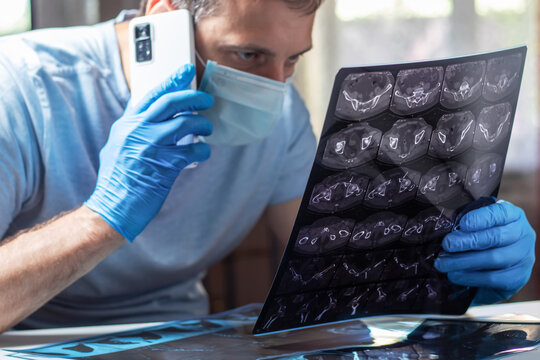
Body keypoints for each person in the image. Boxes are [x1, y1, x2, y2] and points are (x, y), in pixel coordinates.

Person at [0, 0, 534, 333]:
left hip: (176, 338)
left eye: (293, 58)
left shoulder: (281, 111)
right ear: (163, 22)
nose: (276, 88)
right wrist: (102, 217)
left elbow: (335, 272)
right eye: (249, 57)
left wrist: (451, 274)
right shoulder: (21, 89)